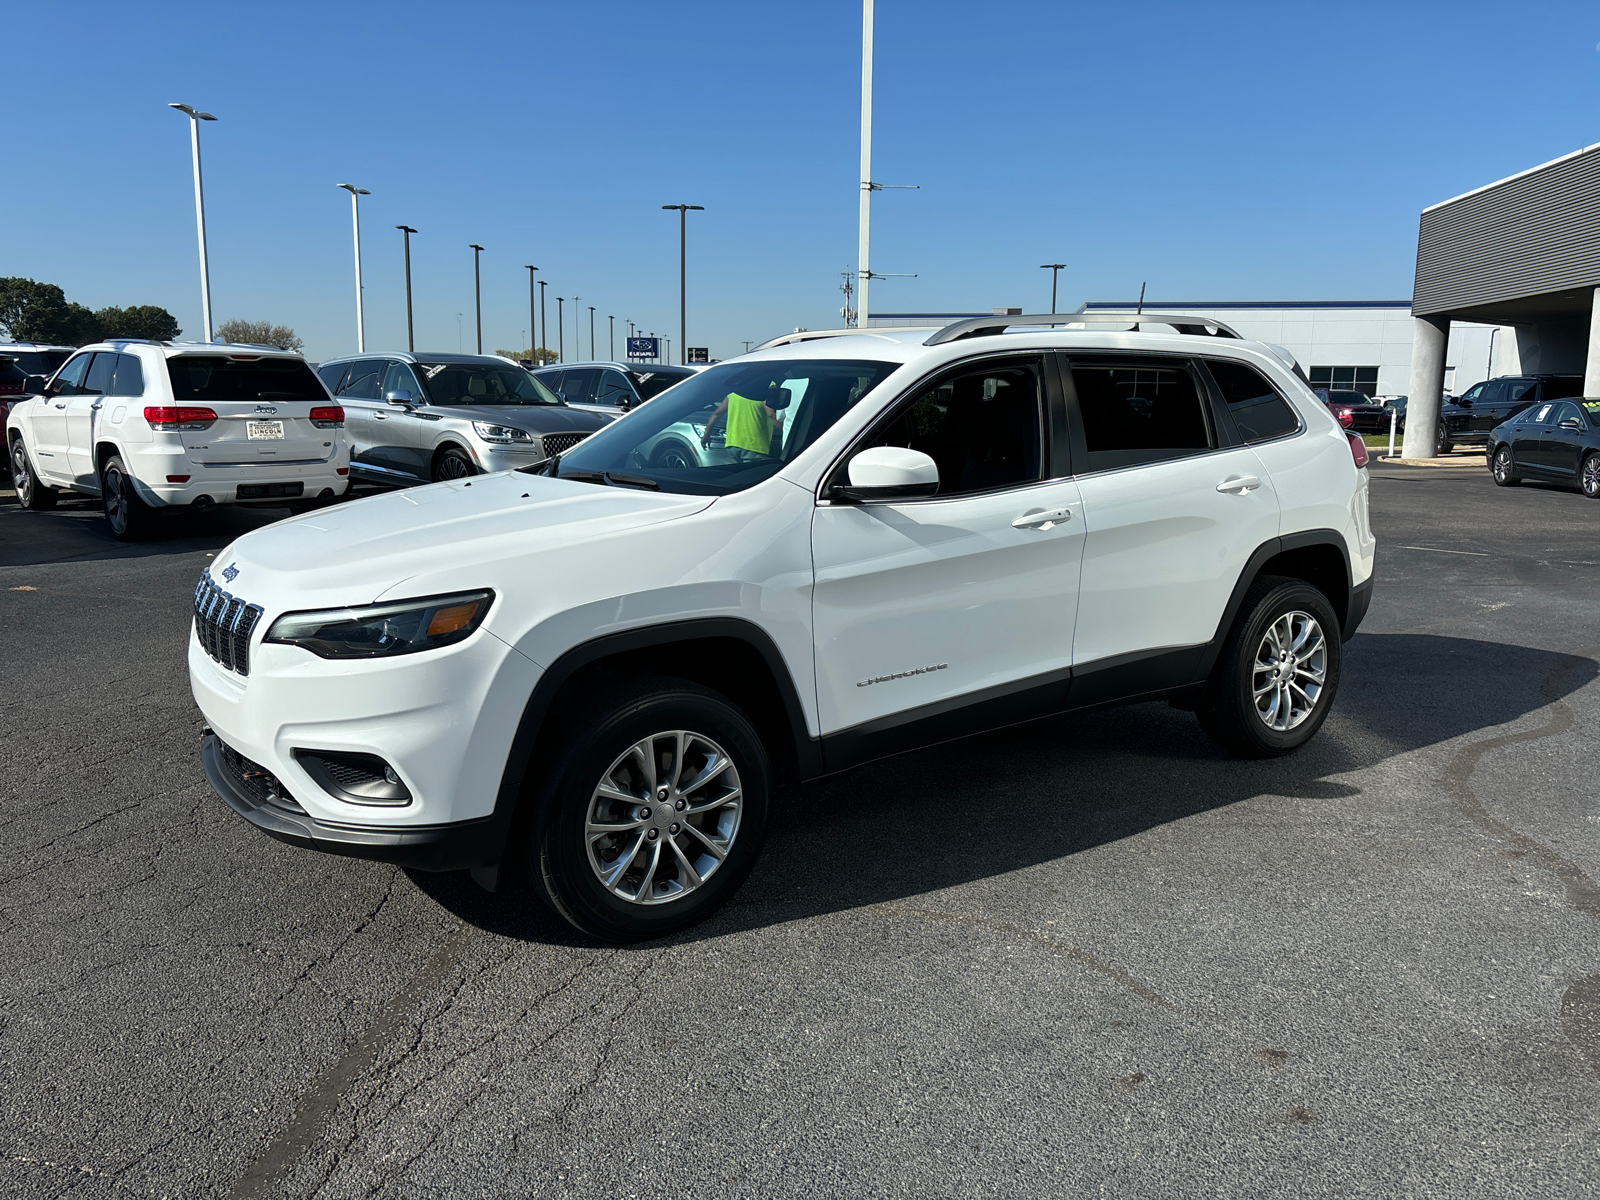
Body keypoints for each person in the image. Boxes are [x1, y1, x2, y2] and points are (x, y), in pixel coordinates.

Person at [701, 383, 787, 462]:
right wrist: (789, 432)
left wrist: (706, 433)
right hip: (754, 446)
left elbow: (717, 413)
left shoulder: (737, 388)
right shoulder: (767, 385)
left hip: (732, 445)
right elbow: (771, 414)